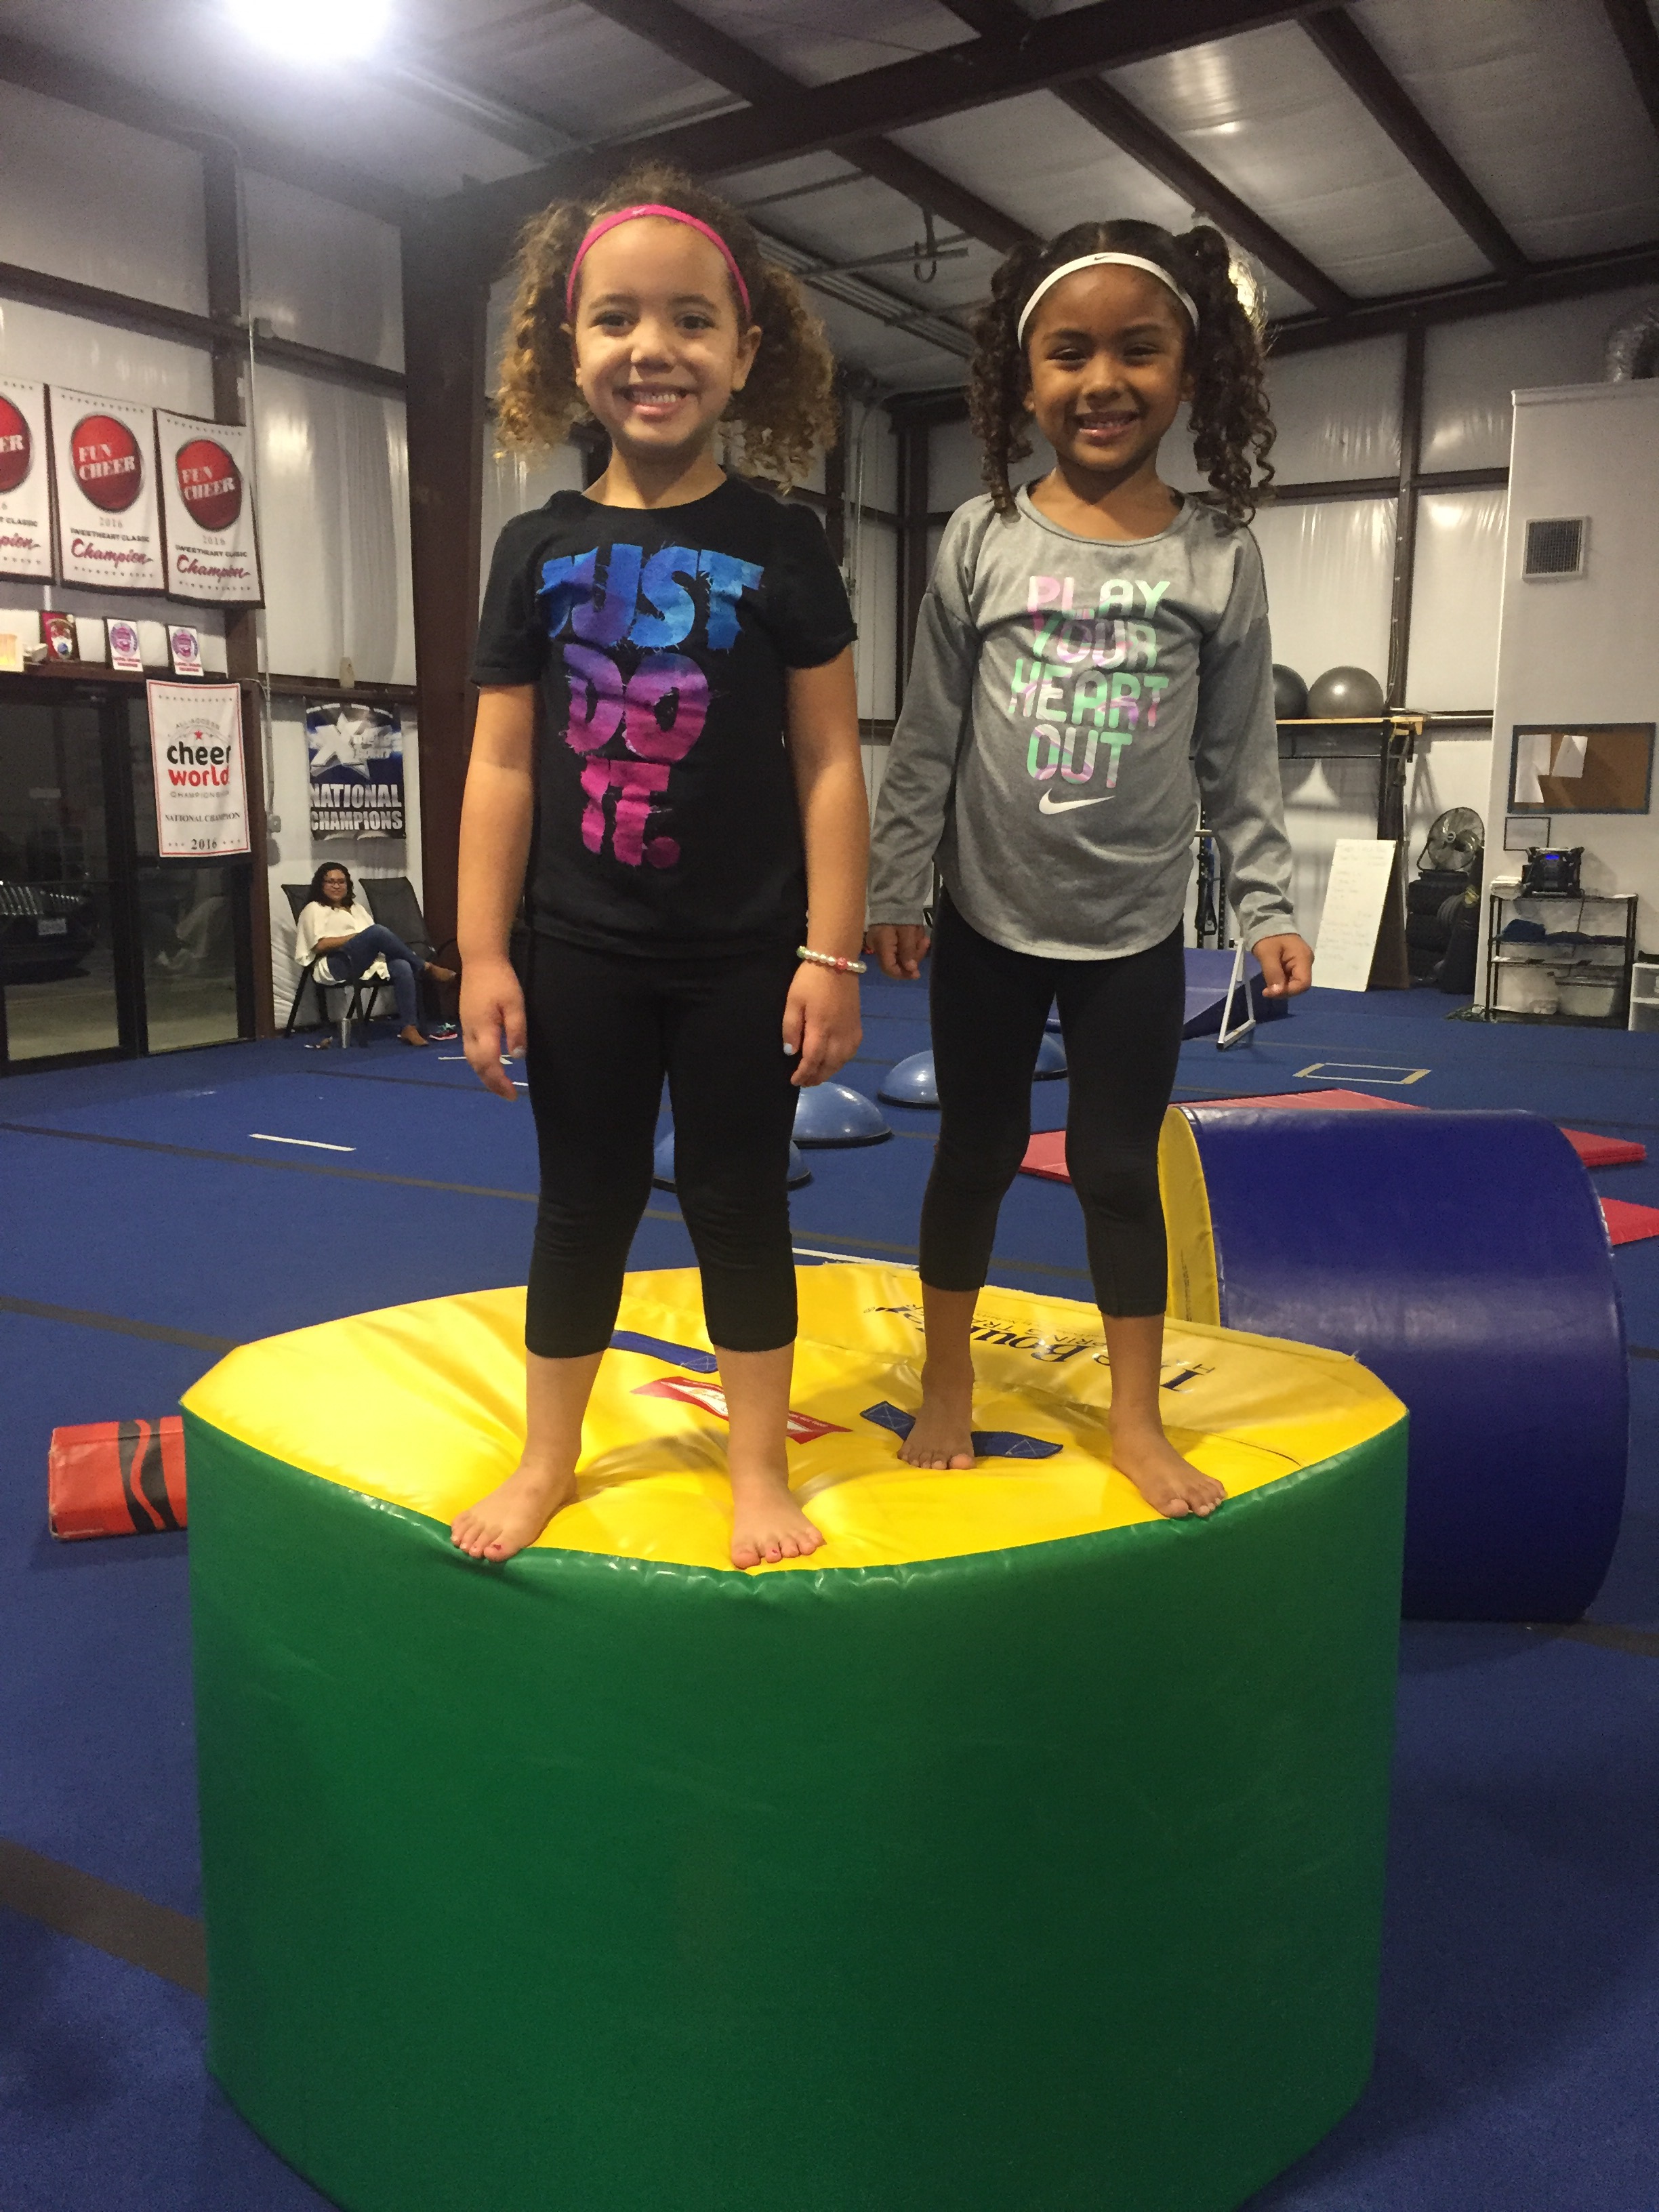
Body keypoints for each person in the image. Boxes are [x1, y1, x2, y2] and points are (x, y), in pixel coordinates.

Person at [449, 165, 867, 1572]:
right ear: (566, 350)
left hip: (744, 949)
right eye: (616, 318)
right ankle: (548, 1456)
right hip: (582, 943)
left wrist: (831, 951)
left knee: (739, 1201)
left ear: (746, 352)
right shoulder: (537, 547)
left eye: (692, 320)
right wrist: (484, 949)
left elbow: (829, 761)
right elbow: (502, 764)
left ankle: (756, 1469)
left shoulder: (782, 544)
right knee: (584, 1201)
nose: (654, 348)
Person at [866, 218, 1314, 1520]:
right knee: (975, 1150)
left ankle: (1132, 1415)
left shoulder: (1214, 550)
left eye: (1137, 351)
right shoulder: (982, 535)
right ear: (1022, 380)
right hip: (987, 915)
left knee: (1118, 1167)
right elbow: (930, 730)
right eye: (1068, 354)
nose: (1101, 381)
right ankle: (946, 1378)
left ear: (1190, 371)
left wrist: (1266, 900)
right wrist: (897, 879)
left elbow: (1237, 750)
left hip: (1131, 927)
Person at [292, 862, 453, 1047]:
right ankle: (426, 967)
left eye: (341, 882)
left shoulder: (356, 908)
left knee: (402, 966)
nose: (337, 886)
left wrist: (367, 940)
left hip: (367, 962)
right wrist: (355, 937)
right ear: (321, 885)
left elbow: (373, 940)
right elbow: (320, 945)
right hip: (335, 963)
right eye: (331, 882)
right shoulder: (314, 909)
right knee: (377, 932)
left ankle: (409, 1027)